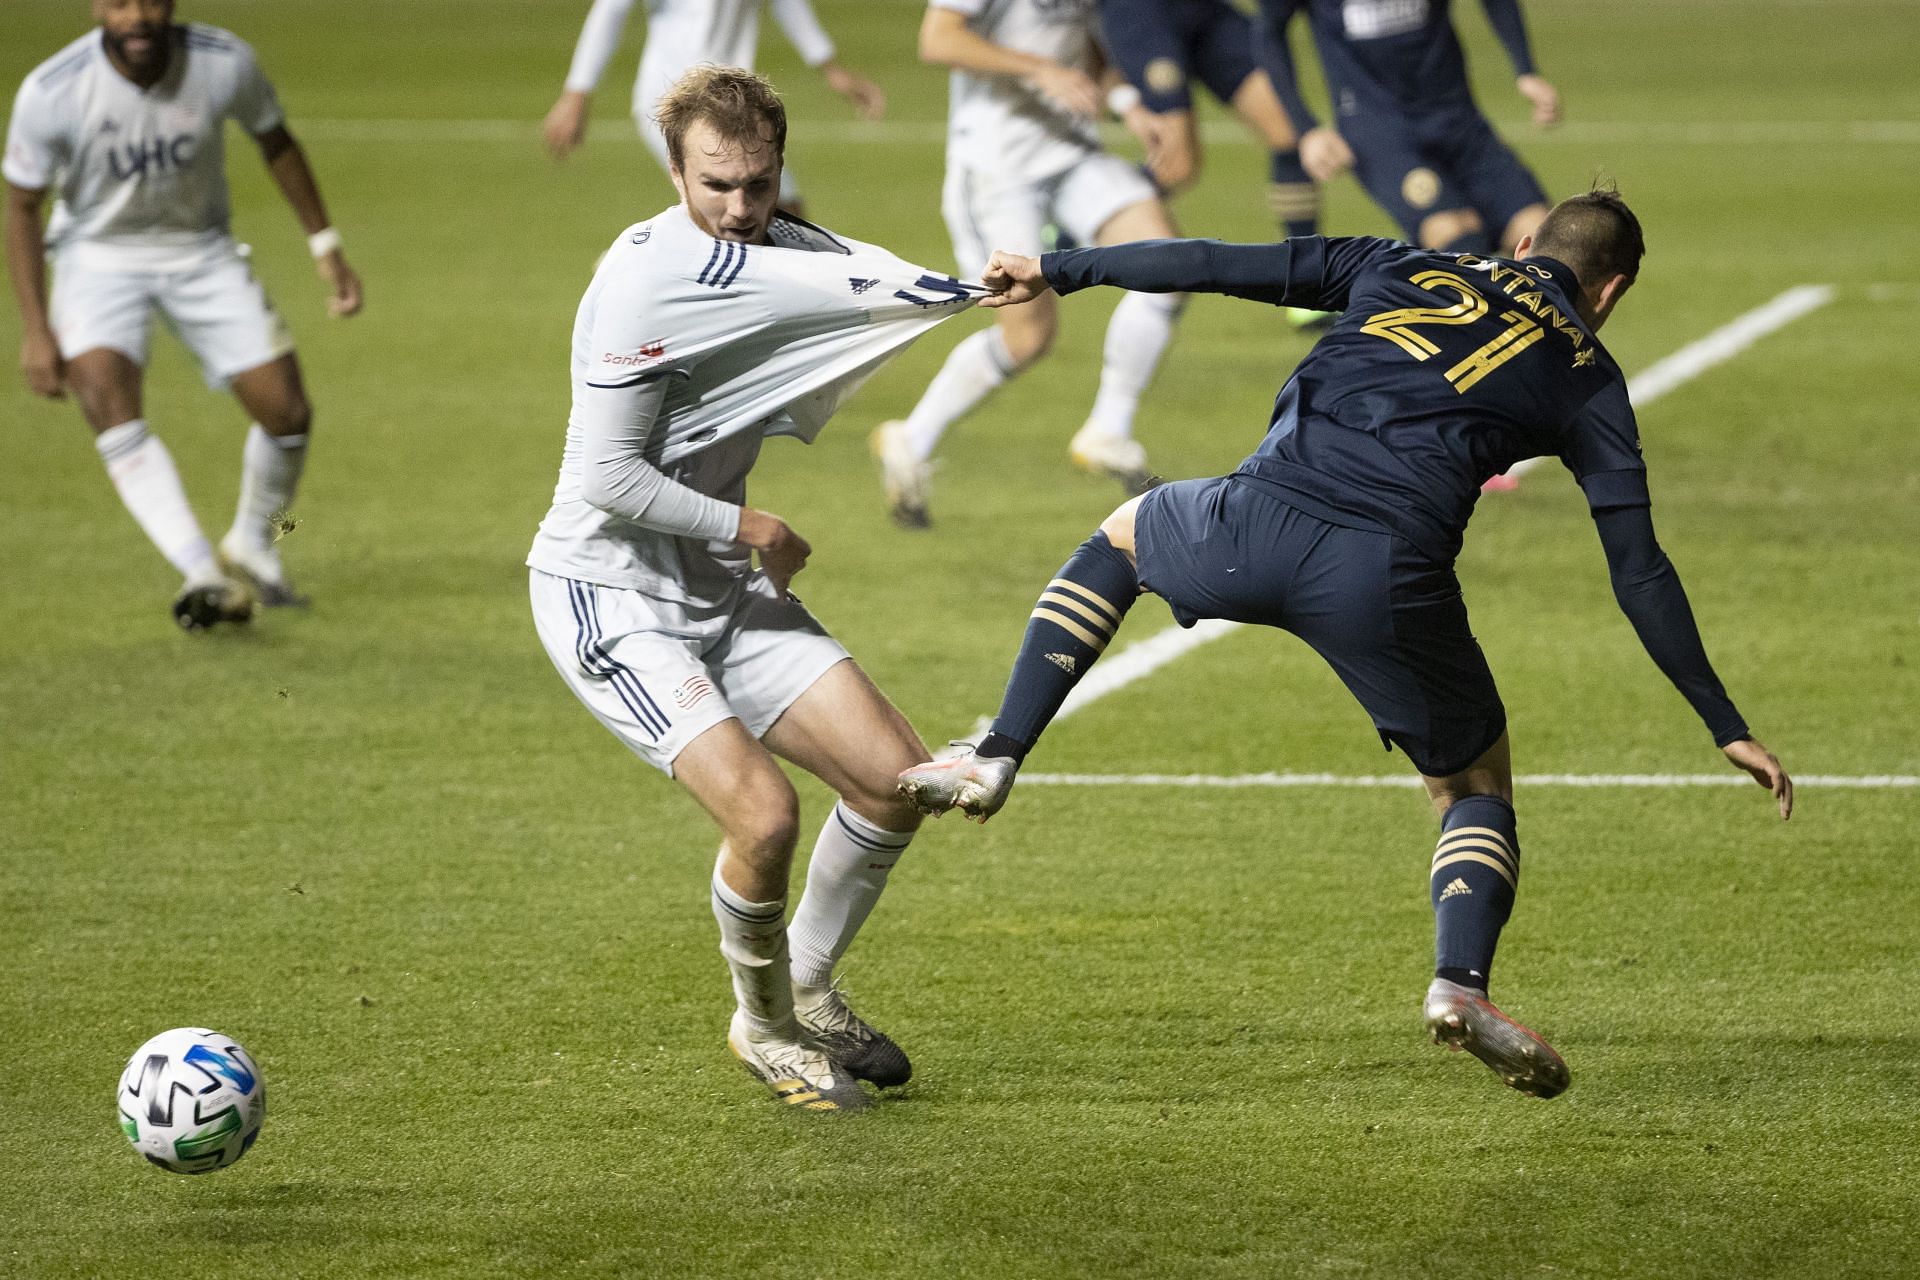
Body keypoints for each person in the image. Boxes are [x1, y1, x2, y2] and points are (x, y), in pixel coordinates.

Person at [898, 190, 1793, 1099]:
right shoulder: (1591, 375)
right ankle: (1460, 986)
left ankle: (998, 754)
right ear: (1612, 292)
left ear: (1521, 242)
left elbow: (1208, 261)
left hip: (1248, 526)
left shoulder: (1396, 263)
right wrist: (1724, 722)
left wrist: (1058, 268)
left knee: (1124, 536)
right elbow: (1638, 570)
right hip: (1385, 581)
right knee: (1472, 786)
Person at [528, 66, 981, 1114]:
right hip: (614, 594)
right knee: (765, 815)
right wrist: (749, 523)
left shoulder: (781, 246)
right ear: (676, 170)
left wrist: (994, 284)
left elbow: (864, 276)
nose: (738, 209)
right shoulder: (649, 281)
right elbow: (605, 477)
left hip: (715, 589)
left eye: (759, 183)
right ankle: (766, 1027)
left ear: (781, 166)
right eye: (716, 184)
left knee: (889, 777)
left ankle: (808, 983)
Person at [5, 0, 363, 630]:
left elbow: (274, 138)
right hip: (98, 257)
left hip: (201, 251)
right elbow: (22, 206)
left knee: (287, 411)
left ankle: (253, 543)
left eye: (150, 1)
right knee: (106, 396)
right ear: (96, 7)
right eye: (120, 3)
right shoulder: (53, 90)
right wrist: (36, 329)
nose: (137, 17)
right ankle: (201, 570)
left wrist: (325, 246)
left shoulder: (224, 62)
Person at [868, 0, 1188, 529]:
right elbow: (939, 39)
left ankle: (1109, 428)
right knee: (1027, 338)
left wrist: (1127, 102)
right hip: (998, 166)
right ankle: (913, 437)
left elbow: (1085, 41)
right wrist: (1041, 70)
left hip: (1070, 149)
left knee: (1168, 267)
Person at [1256, 0, 1561, 258]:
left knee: (1545, 247)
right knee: (1459, 242)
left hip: (1458, 119)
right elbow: (1268, 32)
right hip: (1378, 129)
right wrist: (1306, 129)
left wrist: (1525, 71)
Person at [540, 0, 886, 216]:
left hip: (731, 99)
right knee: (750, 214)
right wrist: (577, 94)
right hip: (672, 101)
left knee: (779, 215)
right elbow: (611, 10)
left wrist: (830, 67)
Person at [1096, 0, 1321, 238]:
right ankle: (1075, 223)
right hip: (1143, 14)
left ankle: (1305, 265)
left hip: (1204, 10)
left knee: (1289, 130)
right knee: (1176, 165)